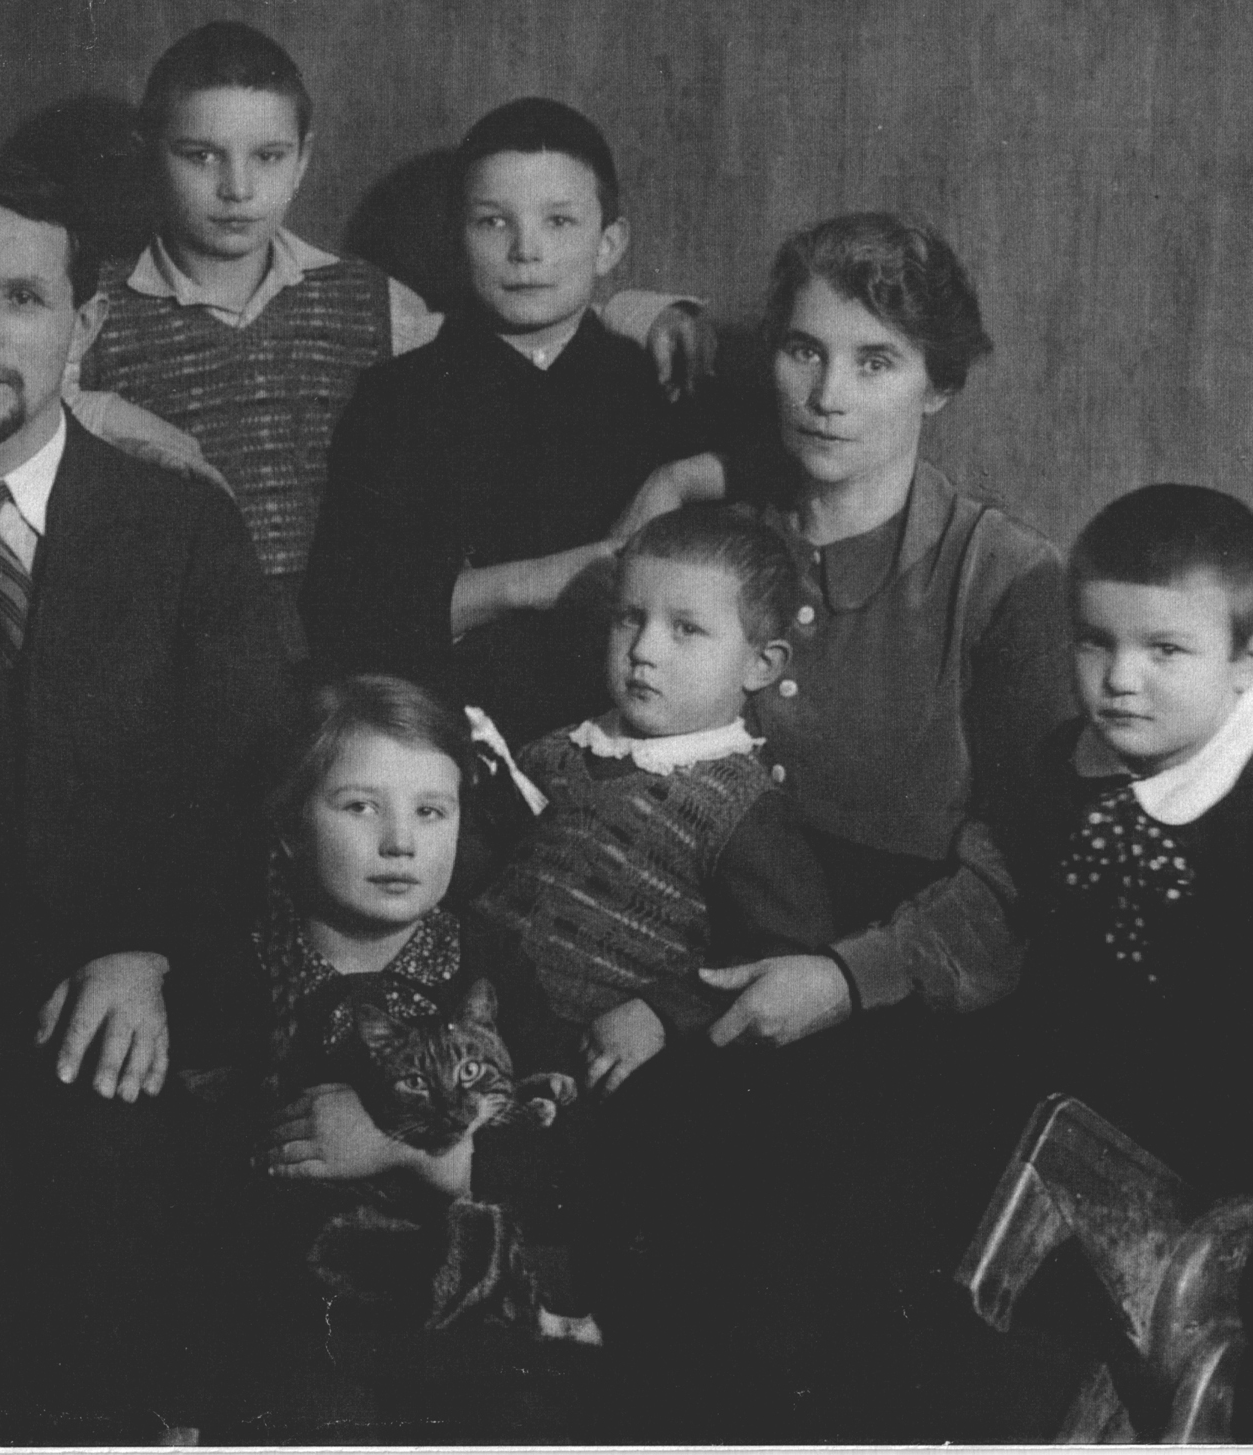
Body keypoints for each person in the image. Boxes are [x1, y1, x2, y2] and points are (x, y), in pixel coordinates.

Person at [583, 212, 1078, 1442]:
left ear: (941, 387)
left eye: (877, 362)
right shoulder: (721, 543)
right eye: (805, 352)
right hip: (704, 959)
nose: (830, 393)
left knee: (802, 1221)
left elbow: (1027, 873)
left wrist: (847, 981)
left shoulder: (1004, 578)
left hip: (912, 1001)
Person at [0, 152, 286, 1441]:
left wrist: (152, 945)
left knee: (116, 1273)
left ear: (87, 322)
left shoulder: (178, 527)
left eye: (22, 298)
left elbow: (255, 778)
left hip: (122, 993)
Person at [83, 27, 716, 657]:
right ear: (148, 156)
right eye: (201, 156)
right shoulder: (87, 312)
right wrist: (105, 412)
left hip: (336, 660)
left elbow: (522, 319)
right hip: (180, 653)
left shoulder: (373, 302)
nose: (238, 189)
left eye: (268, 156)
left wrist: (649, 314)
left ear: (302, 159)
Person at [1019, 483, 1253, 1440]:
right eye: (1094, 641)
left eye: (1164, 651)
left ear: (1248, 659)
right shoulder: (1068, 767)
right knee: (1051, 1341)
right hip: (1169, 1148)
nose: (1120, 679)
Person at [302, 96, 718, 746]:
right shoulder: (396, 399)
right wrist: (533, 582)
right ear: (456, 236)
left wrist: (678, 476)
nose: (526, 250)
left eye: (559, 221)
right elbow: (346, 613)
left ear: (609, 244)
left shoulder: (653, 384)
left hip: (625, 746)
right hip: (447, 746)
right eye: (493, 222)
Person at [258, 675, 591, 1442]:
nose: (401, 841)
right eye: (360, 806)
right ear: (288, 829)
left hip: (466, 1314)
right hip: (300, 1319)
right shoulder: (251, 963)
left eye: (430, 811)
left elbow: (568, 1152)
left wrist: (406, 1149)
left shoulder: (485, 957)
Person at [471, 505, 834, 1095]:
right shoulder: (559, 748)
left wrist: (663, 1012)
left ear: (760, 665)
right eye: (629, 619)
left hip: (580, 1062)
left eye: (685, 629)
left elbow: (782, 952)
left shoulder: (741, 807)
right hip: (470, 1019)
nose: (644, 650)